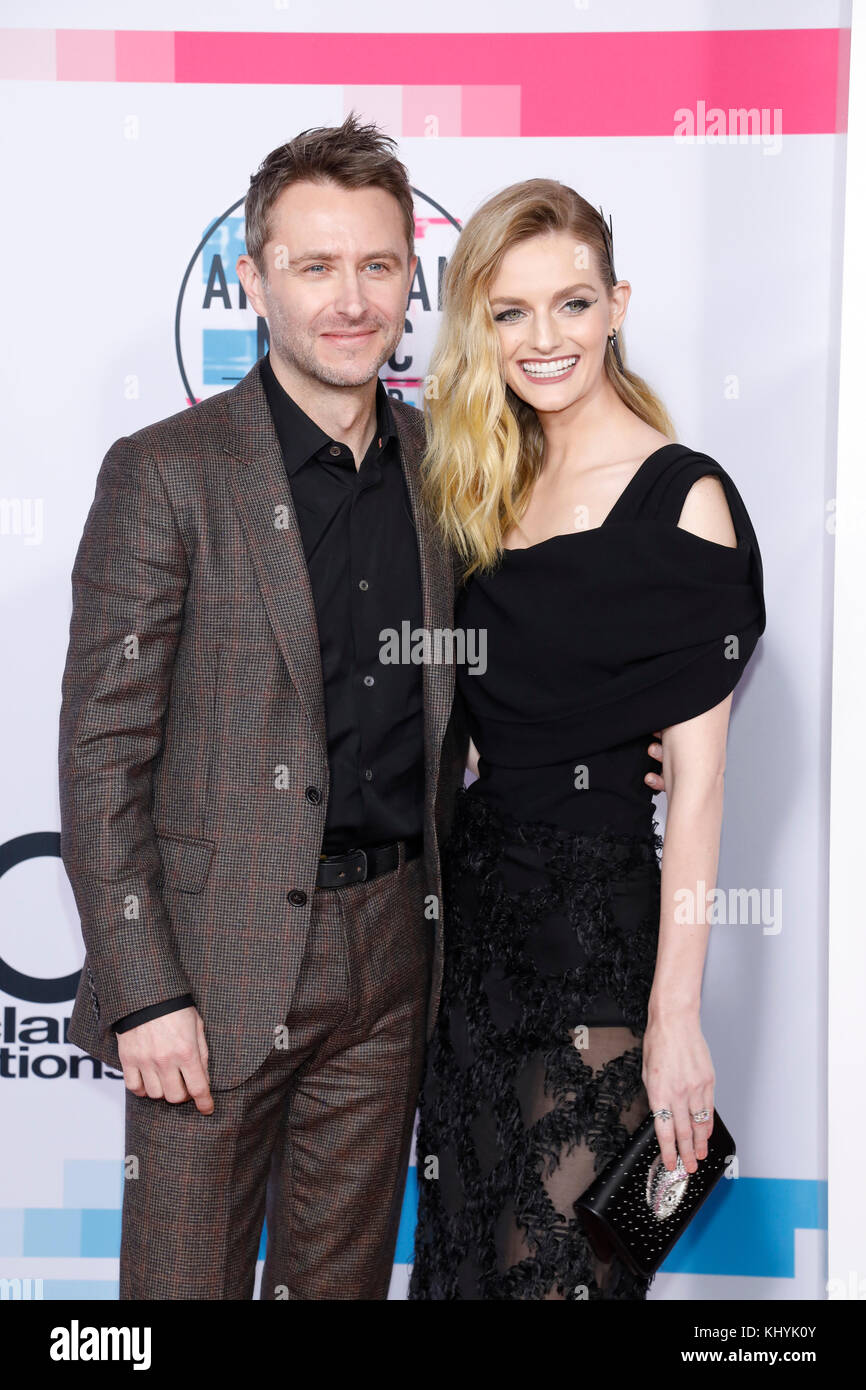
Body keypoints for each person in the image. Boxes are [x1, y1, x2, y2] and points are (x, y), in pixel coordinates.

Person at [59, 118, 665, 1300]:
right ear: (254, 277)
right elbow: (101, 749)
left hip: (395, 954)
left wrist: (611, 742)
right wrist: (143, 989)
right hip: (210, 965)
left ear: (411, 279)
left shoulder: (452, 468)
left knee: (335, 1288)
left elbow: (505, 666)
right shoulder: (166, 472)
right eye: (315, 266)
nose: (350, 300)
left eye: (378, 267)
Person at [408, 179, 766, 1300]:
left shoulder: (682, 499)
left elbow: (697, 790)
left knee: (563, 1282)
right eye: (509, 312)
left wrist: (673, 1020)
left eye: (569, 303)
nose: (542, 338)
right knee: (464, 1275)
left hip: (594, 958)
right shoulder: (480, 482)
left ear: (616, 304)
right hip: (468, 955)